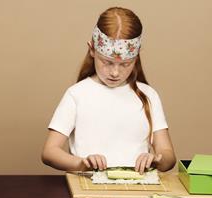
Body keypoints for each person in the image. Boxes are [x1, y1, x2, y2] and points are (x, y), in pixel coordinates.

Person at [42, 7, 176, 174]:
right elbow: (49, 152)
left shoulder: (149, 95)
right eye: (107, 62)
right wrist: (81, 164)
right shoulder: (77, 94)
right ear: (92, 50)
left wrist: (157, 160)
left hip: (137, 189)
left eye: (125, 64)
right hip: (88, 189)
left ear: (136, 57)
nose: (115, 72)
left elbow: (168, 156)